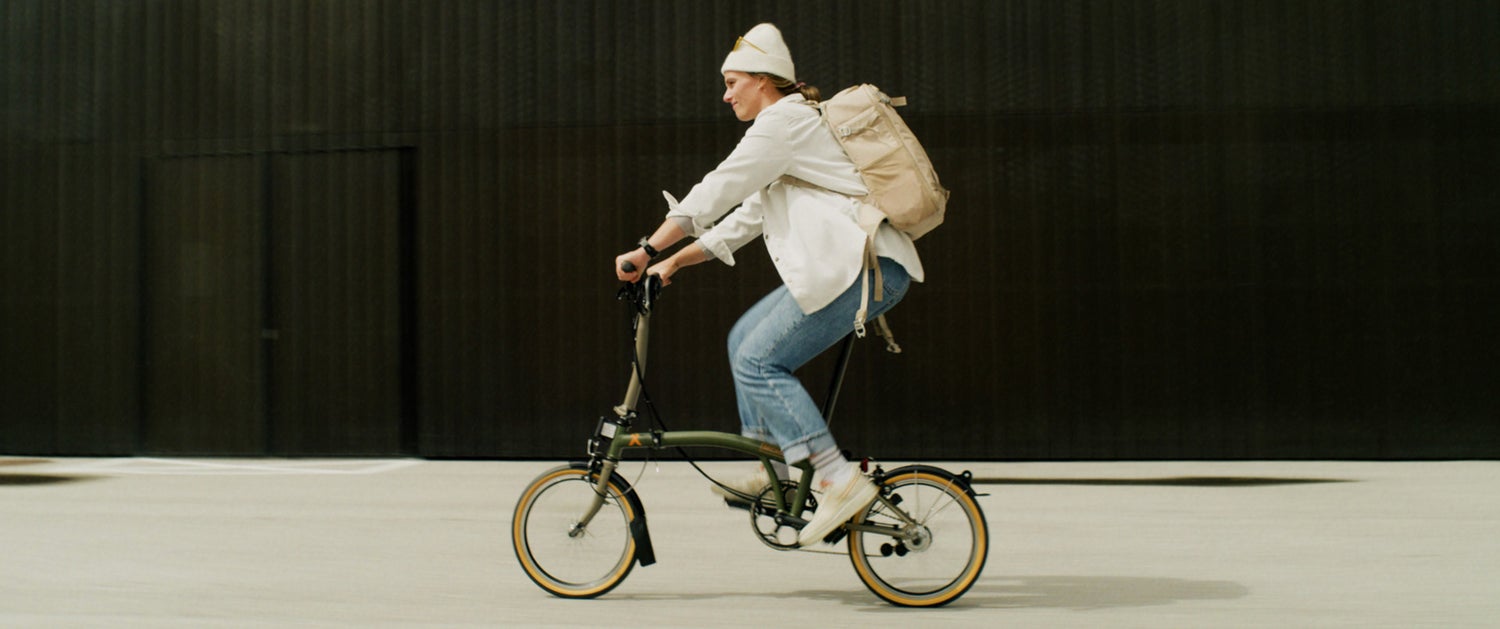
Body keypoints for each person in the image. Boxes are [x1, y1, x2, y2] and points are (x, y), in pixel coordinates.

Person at [613, 23, 924, 547]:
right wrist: (674, 263)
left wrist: (648, 248)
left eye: (733, 82)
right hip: (853, 270)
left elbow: (718, 189)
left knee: (759, 361)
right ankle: (769, 467)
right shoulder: (790, 134)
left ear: (763, 80)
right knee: (743, 342)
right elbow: (746, 216)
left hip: (864, 269)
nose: (726, 93)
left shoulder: (783, 125)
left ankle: (835, 478)